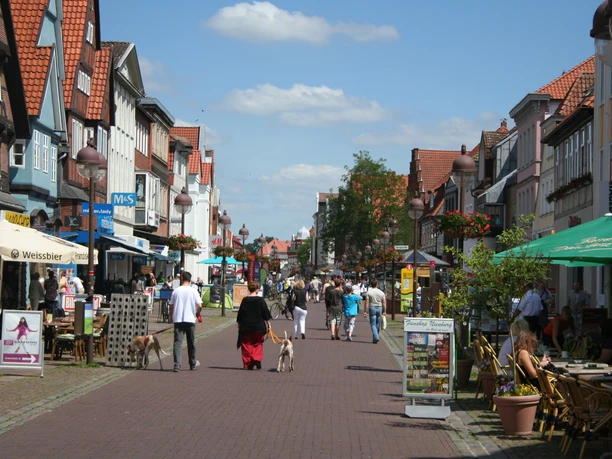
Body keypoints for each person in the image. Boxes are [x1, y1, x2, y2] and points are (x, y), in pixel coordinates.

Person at [169, 271, 202, 372]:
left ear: (182, 278)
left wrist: (171, 316)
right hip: (190, 319)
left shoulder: (176, 291)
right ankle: (192, 363)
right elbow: (200, 305)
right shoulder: (193, 291)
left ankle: (177, 365)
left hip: (178, 319)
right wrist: (197, 313)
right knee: (191, 342)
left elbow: (171, 305)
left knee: (177, 343)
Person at [236, 281, 272, 370]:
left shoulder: (245, 300)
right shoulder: (260, 300)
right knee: (258, 343)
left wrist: (239, 324)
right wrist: (268, 324)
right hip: (258, 326)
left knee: (246, 344)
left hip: (246, 326)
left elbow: (240, 314)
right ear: (257, 289)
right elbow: (265, 313)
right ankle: (257, 359)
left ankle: (249, 362)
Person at [364, 279, 386, 344]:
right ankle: (376, 336)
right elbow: (384, 302)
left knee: (373, 323)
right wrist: (384, 311)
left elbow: (367, 302)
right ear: (377, 284)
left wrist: (365, 311)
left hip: (372, 307)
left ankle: (376, 337)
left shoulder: (369, 292)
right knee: (378, 323)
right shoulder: (381, 292)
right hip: (380, 307)